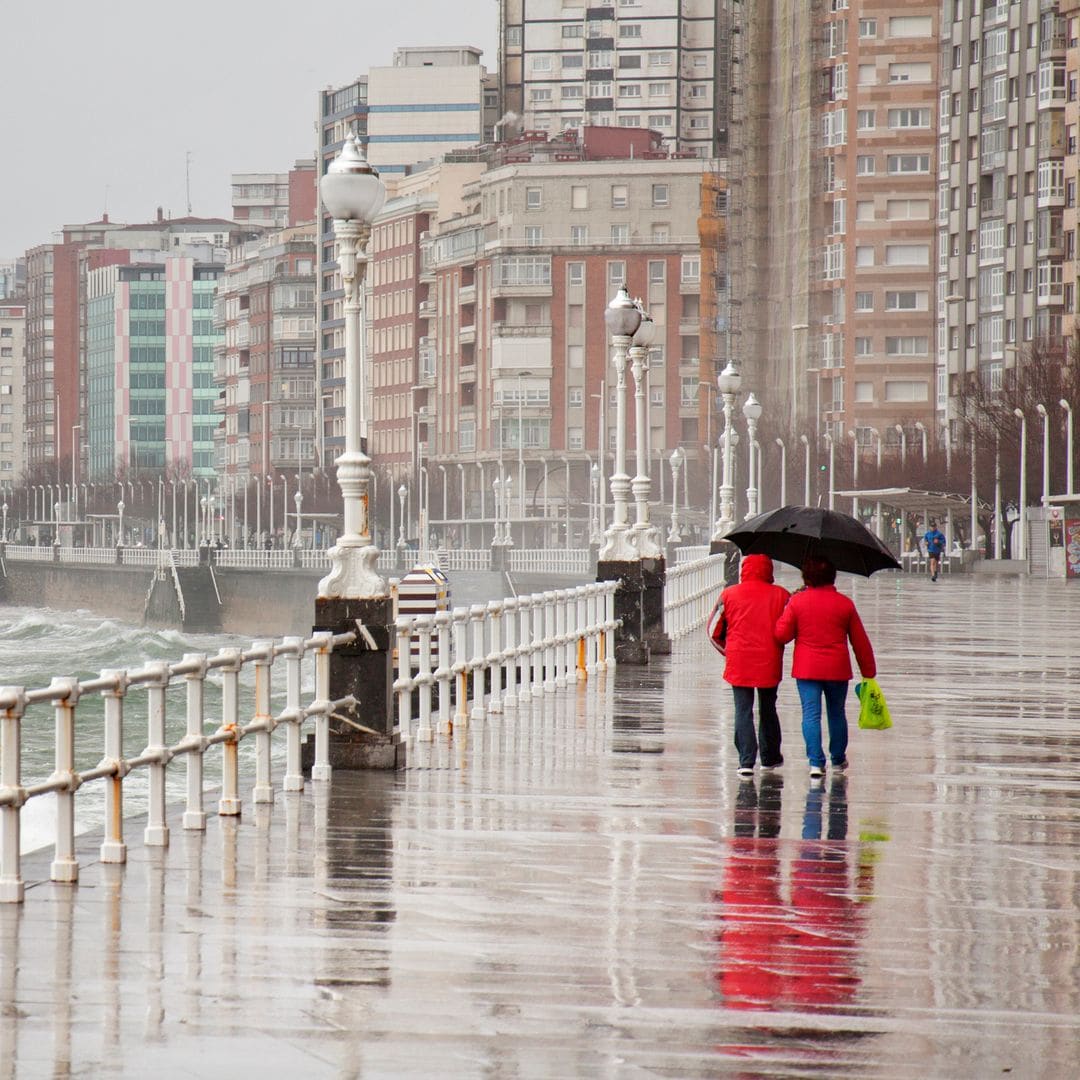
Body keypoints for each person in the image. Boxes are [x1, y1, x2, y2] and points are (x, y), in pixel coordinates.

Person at [774, 555, 876, 781]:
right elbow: (860, 641)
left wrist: (788, 607)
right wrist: (868, 671)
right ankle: (838, 758)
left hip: (807, 669)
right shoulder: (844, 604)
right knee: (837, 713)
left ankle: (815, 763)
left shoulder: (798, 602)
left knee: (811, 715)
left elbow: (782, 635)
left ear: (806, 577)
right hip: (837, 669)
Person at [716, 554, 791, 779]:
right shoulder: (781, 595)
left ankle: (746, 761)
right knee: (768, 708)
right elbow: (787, 630)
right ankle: (769, 758)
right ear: (769, 570)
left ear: (743, 570)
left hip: (739, 660)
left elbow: (714, 629)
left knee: (743, 710)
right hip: (769, 659)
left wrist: (728, 652)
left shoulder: (728, 594)